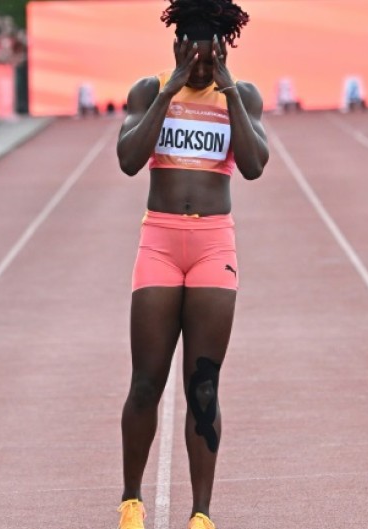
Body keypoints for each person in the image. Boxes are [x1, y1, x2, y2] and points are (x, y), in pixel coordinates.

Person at [114, 1, 268, 528]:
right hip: (159, 240)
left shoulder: (240, 96)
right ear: (178, 46)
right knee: (146, 382)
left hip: (212, 245)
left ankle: (201, 514)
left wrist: (225, 90)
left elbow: (253, 167)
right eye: (193, 59)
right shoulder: (148, 89)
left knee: (203, 385)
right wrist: (172, 86)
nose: (201, 68)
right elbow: (129, 159)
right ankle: (131, 500)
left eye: (210, 60)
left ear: (224, 51)